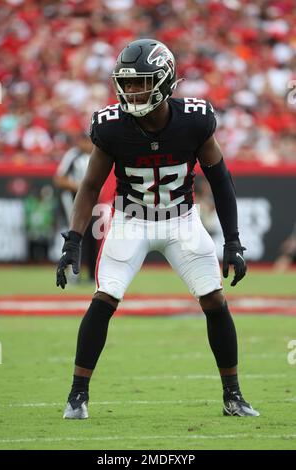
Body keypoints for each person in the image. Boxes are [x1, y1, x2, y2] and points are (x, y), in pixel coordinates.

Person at [56, 38, 259, 419]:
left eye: (141, 82)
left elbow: (221, 179)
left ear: (164, 81)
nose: (132, 91)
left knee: (213, 299)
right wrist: (73, 240)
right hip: (130, 221)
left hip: (182, 220)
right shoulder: (111, 126)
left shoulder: (195, 119)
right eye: (127, 83)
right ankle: (77, 396)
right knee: (105, 297)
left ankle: (233, 395)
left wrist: (232, 240)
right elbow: (89, 186)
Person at [54, 133, 97, 282]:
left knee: (91, 235)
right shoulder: (73, 155)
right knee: (75, 232)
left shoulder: (97, 154)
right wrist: (80, 187)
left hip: (91, 200)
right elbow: (59, 179)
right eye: (85, 141)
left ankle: (92, 274)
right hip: (72, 198)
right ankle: (73, 273)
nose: (88, 144)